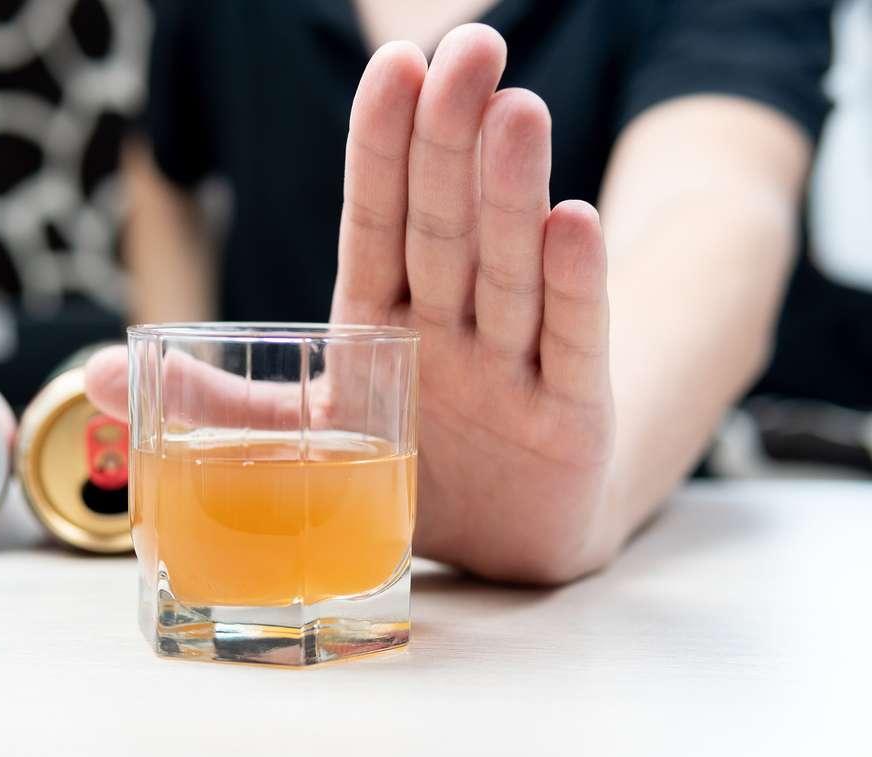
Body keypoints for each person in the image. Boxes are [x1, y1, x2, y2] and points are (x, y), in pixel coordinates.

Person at [84, 0, 835, 583]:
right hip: (258, 547)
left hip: (610, 594)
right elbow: (166, 167)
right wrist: (186, 413)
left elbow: (715, 203)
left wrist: (585, 484)